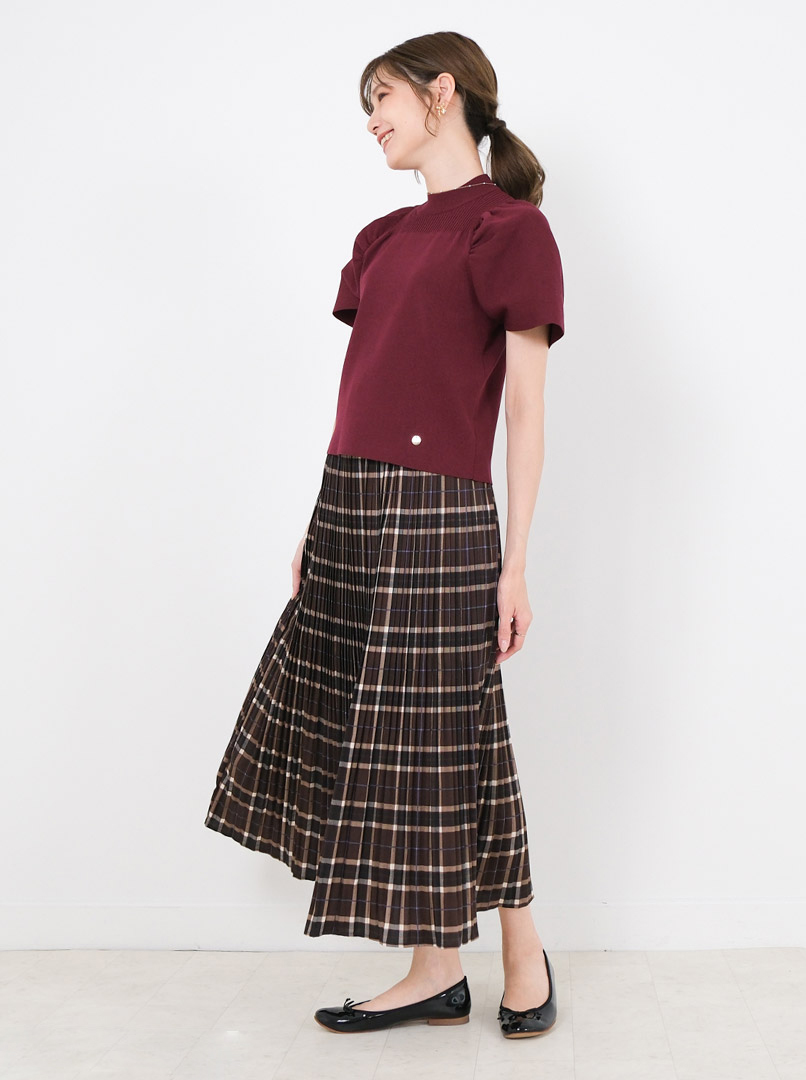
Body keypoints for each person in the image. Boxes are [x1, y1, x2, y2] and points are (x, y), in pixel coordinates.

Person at [203, 30, 565, 1040]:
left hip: (440, 511)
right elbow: (365, 389)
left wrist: (515, 563)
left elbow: (527, 413)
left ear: (442, 92)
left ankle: (511, 954)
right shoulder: (381, 238)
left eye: (383, 98)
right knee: (406, 738)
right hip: (352, 502)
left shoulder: (509, 230)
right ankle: (444, 968)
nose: (371, 121)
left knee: (448, 733)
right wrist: (317, 520)